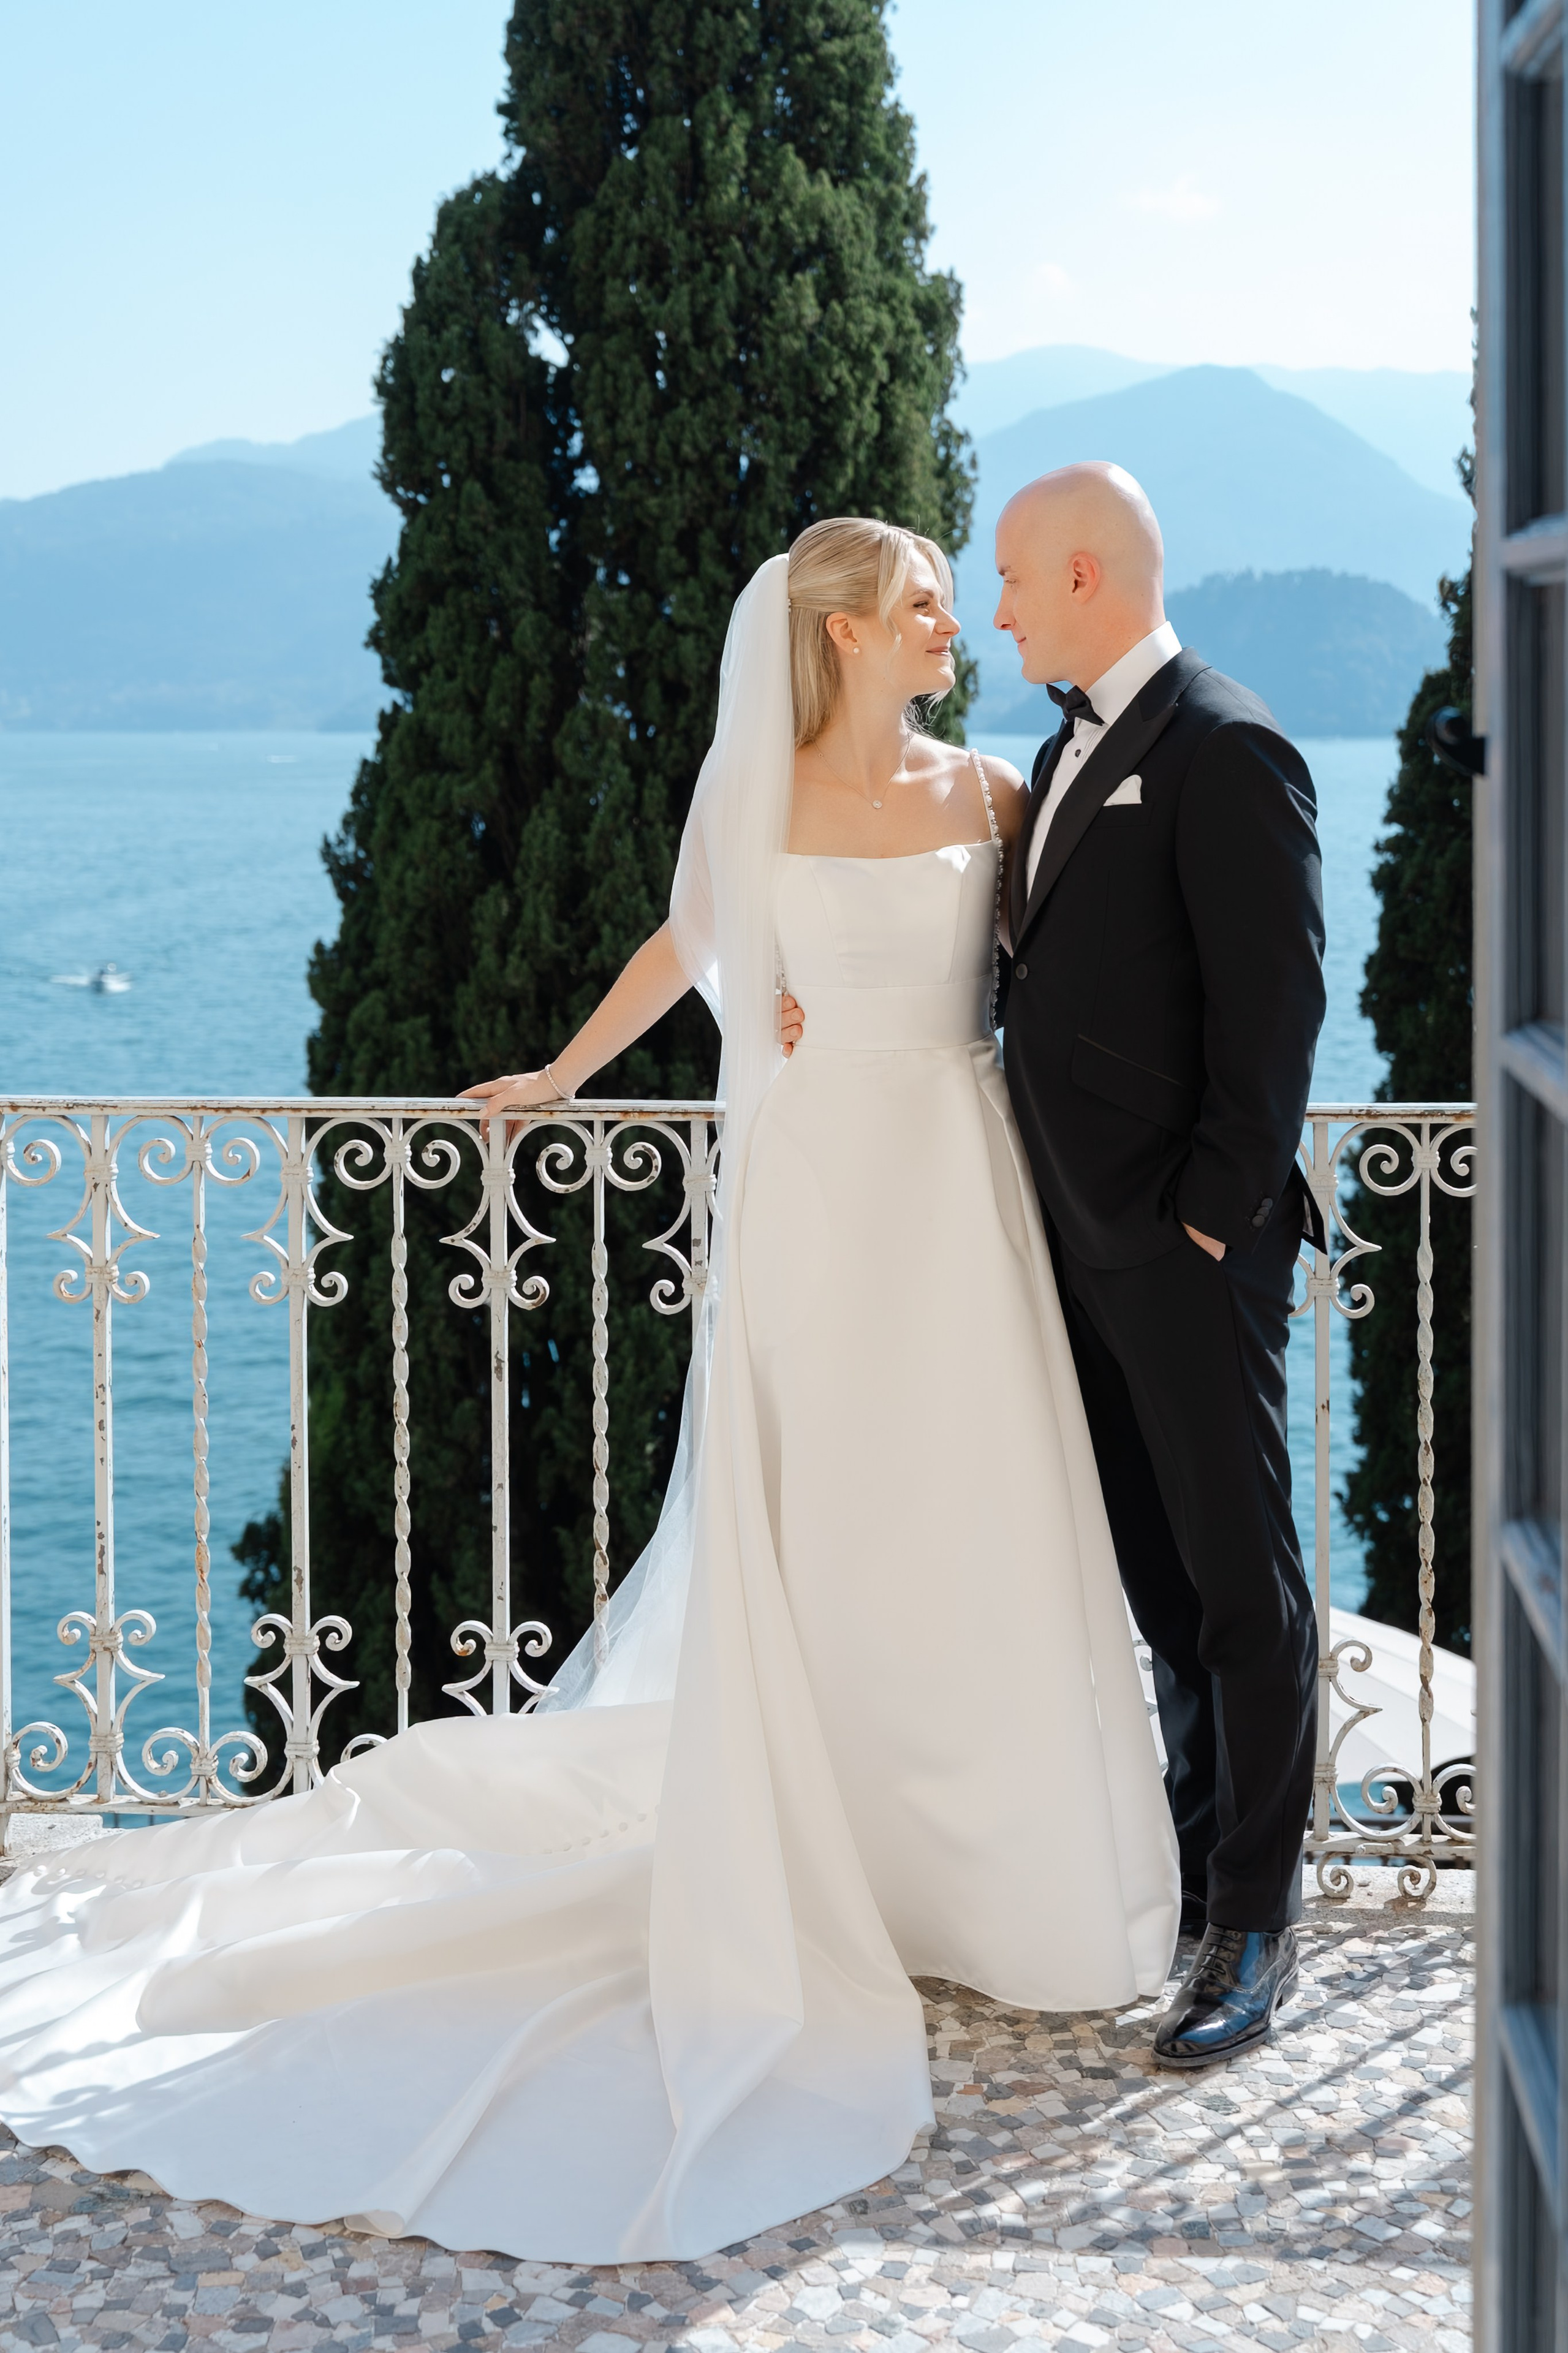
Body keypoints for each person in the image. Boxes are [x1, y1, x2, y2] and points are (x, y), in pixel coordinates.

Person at [0, 520, 1178, 2265]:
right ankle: (838, 1865)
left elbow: (1072, 976)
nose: (953, 622)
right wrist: (559, 1074)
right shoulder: (760, 793)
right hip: (818, 1207)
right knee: (826, 1534)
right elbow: (687, 945)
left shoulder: (999, 793)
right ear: (845, 633)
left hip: (959, 1188)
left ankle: (996, 1881)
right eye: (926, 598)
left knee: (981, 1518)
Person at [993, 463, 1327, 2067]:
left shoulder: (1229, 744)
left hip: (1187, 1257)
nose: (994, 608)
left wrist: (1203, 1222)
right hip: (1077, 1252)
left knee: (1243, 1592)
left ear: (1080, 573)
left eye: (1008, 576)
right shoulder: (1060, 755)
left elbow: (1274, 1024)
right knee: (1164, 1590)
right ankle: (1200, 1889)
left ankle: (1258, 1933)